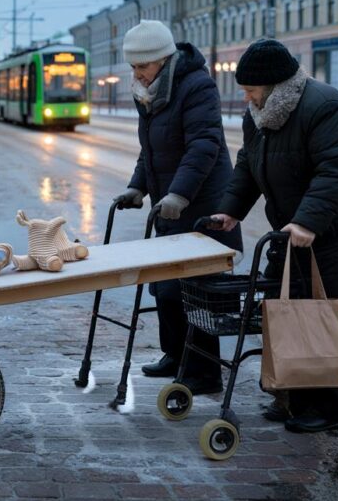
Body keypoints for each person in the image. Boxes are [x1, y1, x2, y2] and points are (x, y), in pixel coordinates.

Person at [208, 38, 338, 433]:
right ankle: (295, 396)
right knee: (294, 307)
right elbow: (247, 165)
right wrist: (230, 209)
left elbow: (336, 169)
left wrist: (308, 220)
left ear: (275, 86)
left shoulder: (324, 106)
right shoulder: (258, 113)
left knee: (333, 315)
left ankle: (331, 409)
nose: (246, 96)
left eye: (250, 89)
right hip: (296, 228)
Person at [113, 20, 243, 395]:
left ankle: (203, 372)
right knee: (167, 284)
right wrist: (137, 187)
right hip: (169, 202)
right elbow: (151, 150)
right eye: (133, 66)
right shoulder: (150, 91)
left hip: (200, 202)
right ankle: (175, 354)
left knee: (196, 287)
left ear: (163, 59)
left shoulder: (195, 86)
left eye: (142, 65)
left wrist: (179, 195)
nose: (136, 73)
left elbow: (204, 146)